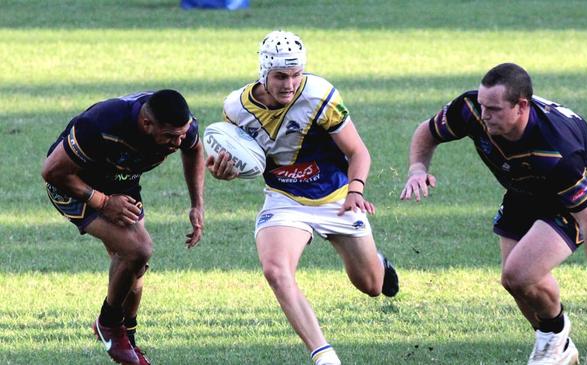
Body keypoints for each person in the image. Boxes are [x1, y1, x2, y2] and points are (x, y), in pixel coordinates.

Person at [400, 63, 587, 365]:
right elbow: (427, 131)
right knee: (514, 282)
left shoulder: (556, 151)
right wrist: (417, 169)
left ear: (521, 106)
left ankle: (555, 338)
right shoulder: (471, 109)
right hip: (524, 187)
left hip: (575, 199)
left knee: (520, 272)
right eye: (483, 105)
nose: (485, 115)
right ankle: (556, 343)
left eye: (495, 109)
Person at [207, 30, 399, 365]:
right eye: (281, 76)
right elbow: (242, 158)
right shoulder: (235, 109)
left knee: (371, 285)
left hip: (338, 197)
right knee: (276, 271)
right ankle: (324, 355)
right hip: (285, 199)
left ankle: (378, 264)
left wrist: (356, 191)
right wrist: (225, 171)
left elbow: (358, 152)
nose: (289, 84)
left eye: (296, 75)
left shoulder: (319, 95)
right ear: (263, 73)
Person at [41, 89, 205, 365]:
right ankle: (108, 324)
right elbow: (52, 171)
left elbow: (194, 149)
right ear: (146, 124)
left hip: (120, 183)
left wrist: (196, 204)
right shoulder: (101, 124)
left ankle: (127, 339)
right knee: (138, 250)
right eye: (170, 137)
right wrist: (103, 202)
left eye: (181, 134)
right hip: (74, 184)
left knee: (135, 269)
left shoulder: (181, 127)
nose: (178, 142)